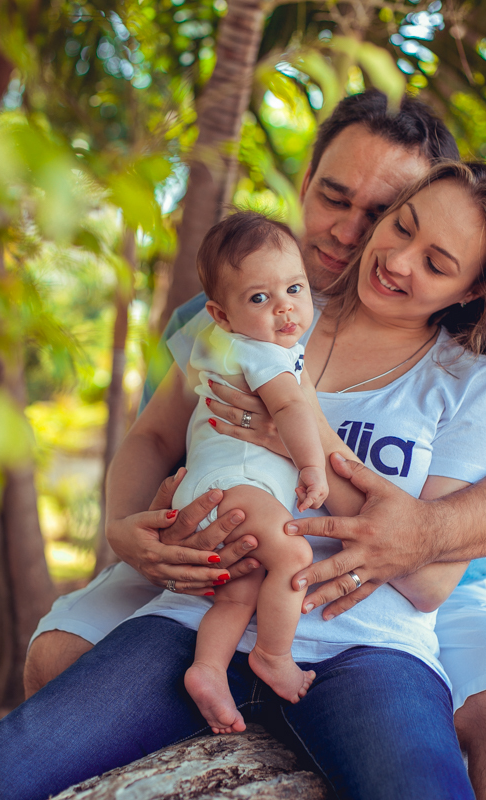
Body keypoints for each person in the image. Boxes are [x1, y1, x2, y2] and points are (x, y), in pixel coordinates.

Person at [25, 91, 486, 800]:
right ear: (304, 181)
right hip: (232, 546)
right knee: (58, 655)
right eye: (335, 196)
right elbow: (159, 440)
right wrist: (132, 531)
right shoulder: (221, 316)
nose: (353, 234)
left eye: (381, 211)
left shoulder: (476, 356)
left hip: (424, 591)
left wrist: (425, 532)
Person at [177, 211, 326, 732]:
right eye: (260, 298)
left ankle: (208, 669)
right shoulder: (261, 352)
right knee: (294, 554)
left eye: (294, 288)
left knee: (242, 587)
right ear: (221, 314)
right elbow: (289, 410)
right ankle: (272, 655)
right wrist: (312, 466)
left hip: (213, 495)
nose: (285, 306)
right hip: (234, 488)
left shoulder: (231, 345)